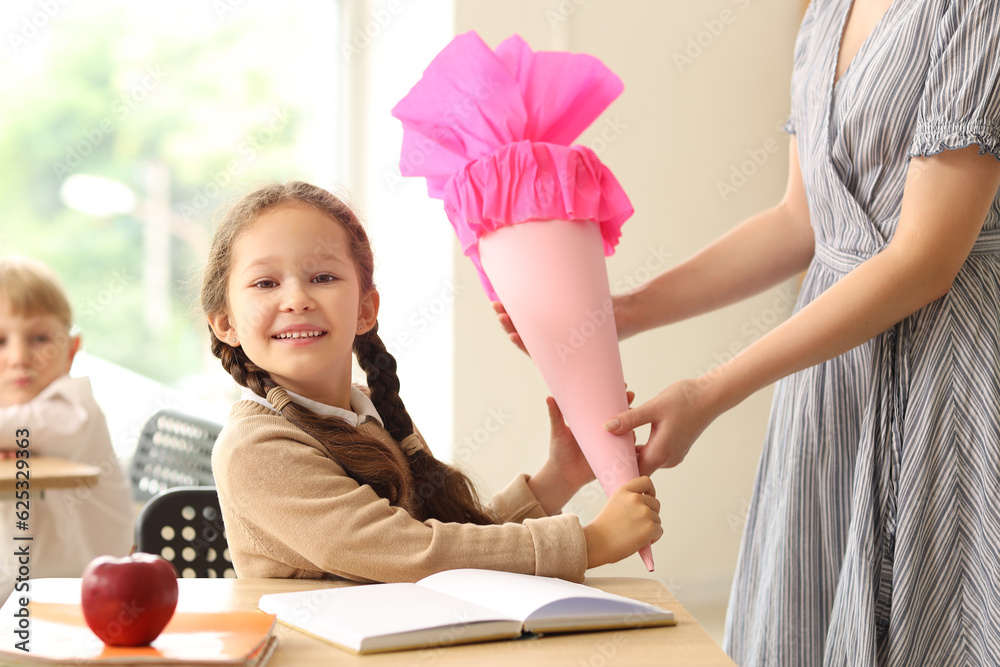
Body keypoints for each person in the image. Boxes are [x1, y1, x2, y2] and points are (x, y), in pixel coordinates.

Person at [497, 1, 1000, 664]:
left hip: (951, 373)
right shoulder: (826, 12)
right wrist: (621, 312)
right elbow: (802, 221)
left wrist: (711, 390)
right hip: (829, 385)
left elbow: (925, 260)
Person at [200, 181, 661, 584]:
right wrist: (588, 543)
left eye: (323, 277)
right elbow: (409, 552)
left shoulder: (370, 415)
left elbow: (450, 536)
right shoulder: (255, 448)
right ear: (225, 323)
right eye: (265, 283)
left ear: (365, 309)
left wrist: (556, 478)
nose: (296, 299)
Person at [0, 256, 134, 598]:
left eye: (40, 338)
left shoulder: (73, 407)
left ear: (71, 349)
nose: (19, 356)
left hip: (86, 581)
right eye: (1, 340)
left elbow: (22, 426)